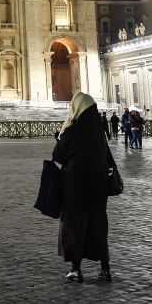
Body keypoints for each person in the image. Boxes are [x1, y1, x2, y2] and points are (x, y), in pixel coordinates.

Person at [53, 92, 113, 283]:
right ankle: (105, 269)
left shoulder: (73, 131)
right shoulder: (99, 133)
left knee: (74, 227)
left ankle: (76, 270)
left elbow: (58, 155)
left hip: (75, 188)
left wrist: (62, 134)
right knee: (98, 226)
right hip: (97, 188)